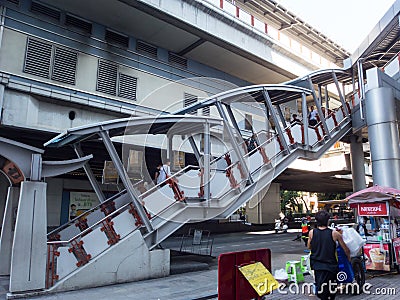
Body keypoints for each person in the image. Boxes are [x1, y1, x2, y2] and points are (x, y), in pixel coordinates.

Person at [308, 210, 350, 300]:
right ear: (328, 221)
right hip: (330, 266)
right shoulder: (334, 233)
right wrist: (349, 258)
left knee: (321, 288)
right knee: (331, 289)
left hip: (317, 265)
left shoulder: (312, 232)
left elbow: (309, 246)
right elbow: (345, 249)